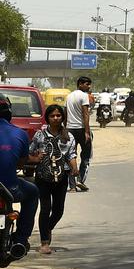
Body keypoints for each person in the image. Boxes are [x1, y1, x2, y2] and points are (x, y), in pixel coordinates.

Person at [28, 105, 77, 255]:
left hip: (61, 178)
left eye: (58, 116)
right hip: (43, 177)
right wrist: (36, 158)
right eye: (52, 116)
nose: (56, 118)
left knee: (58, 211)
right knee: (45, 209)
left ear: (62, 117)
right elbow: (29, 152)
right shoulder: (40, 135)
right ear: (47, 118)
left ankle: (47, 228)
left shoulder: (68, 136)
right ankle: (44, 242)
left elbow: (71, 154)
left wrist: (75, 167)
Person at [0, 96, 38, 258]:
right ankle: (21, 240)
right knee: (33, 192)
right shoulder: (19, 133)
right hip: (10, 189)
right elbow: (21, 165)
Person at [65, 76, 93, 192]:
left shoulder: (69, 96)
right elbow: (85, 114)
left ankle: (72, 186)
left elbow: (65, 114)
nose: (89, 86)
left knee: (71, 156)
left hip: (70, 129)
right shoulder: (84, 96)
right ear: (80, 84)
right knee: (86, 156)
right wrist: (87, 132)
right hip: (81, 129)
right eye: (87, 84)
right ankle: (80, 180)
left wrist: (64, 129)